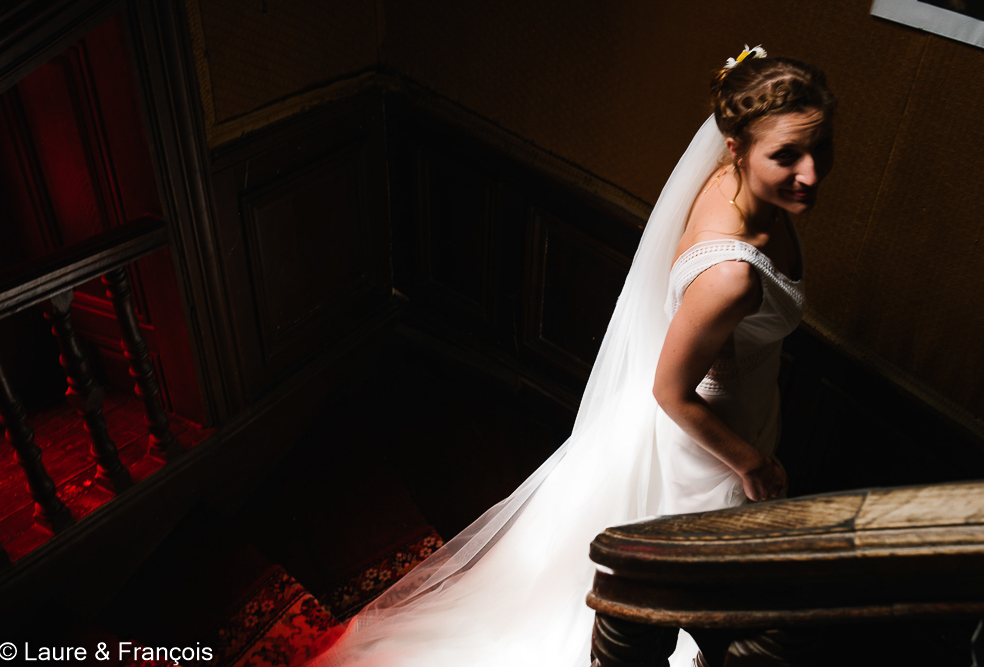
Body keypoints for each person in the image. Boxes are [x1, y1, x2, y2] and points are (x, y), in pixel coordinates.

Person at [306, 47, 836, 667]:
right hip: (713, 441)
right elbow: (670, 392)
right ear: (736, 149)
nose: (810, 174)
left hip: (741, 403)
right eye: (786, 156)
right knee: (683, 588)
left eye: (818, 149)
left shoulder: (731, 183)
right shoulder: (730, 278)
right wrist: (751, 463)